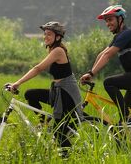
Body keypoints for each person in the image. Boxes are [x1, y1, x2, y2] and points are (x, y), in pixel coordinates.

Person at [8, 21, 83, 149]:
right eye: (45, 34)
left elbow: (38, 68)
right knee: (30, 94)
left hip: (67, 94)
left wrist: (18, 83)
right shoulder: (52, 49)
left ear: (57, 37)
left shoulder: (58, 50)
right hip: (57, 92)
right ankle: (44, 123)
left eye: (49, 34)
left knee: (59, 133)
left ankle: (68, 157)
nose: (45, 37)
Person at [80, 5, 131, 124]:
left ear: (120, 19)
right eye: (106, 21)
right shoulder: (119, 36)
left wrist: (91, 73)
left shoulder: (127, 34)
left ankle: (127, 118)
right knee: (123, 123)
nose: (108, 23)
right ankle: (130, 135)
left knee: (109, 83)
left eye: (110, 20)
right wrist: (90, 72)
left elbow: (108, 55)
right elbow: (102, 54)